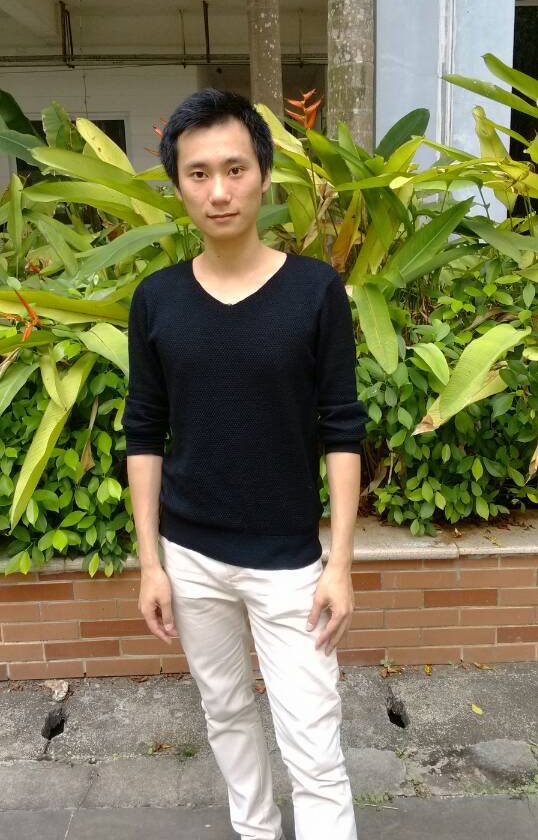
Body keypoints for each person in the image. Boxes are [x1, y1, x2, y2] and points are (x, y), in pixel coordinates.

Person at [121, 88, 368, 840]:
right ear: (178, 186)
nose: (219, 191)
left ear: (263, 174)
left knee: (313, 741)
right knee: (225, 714)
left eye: (235, 169)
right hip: (191, 558)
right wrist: (151, 564)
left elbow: (342, 429)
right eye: (198, 174)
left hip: (289, 564)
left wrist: (341, 564)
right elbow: (144, 432)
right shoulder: (157, 300)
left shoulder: (315, 292)